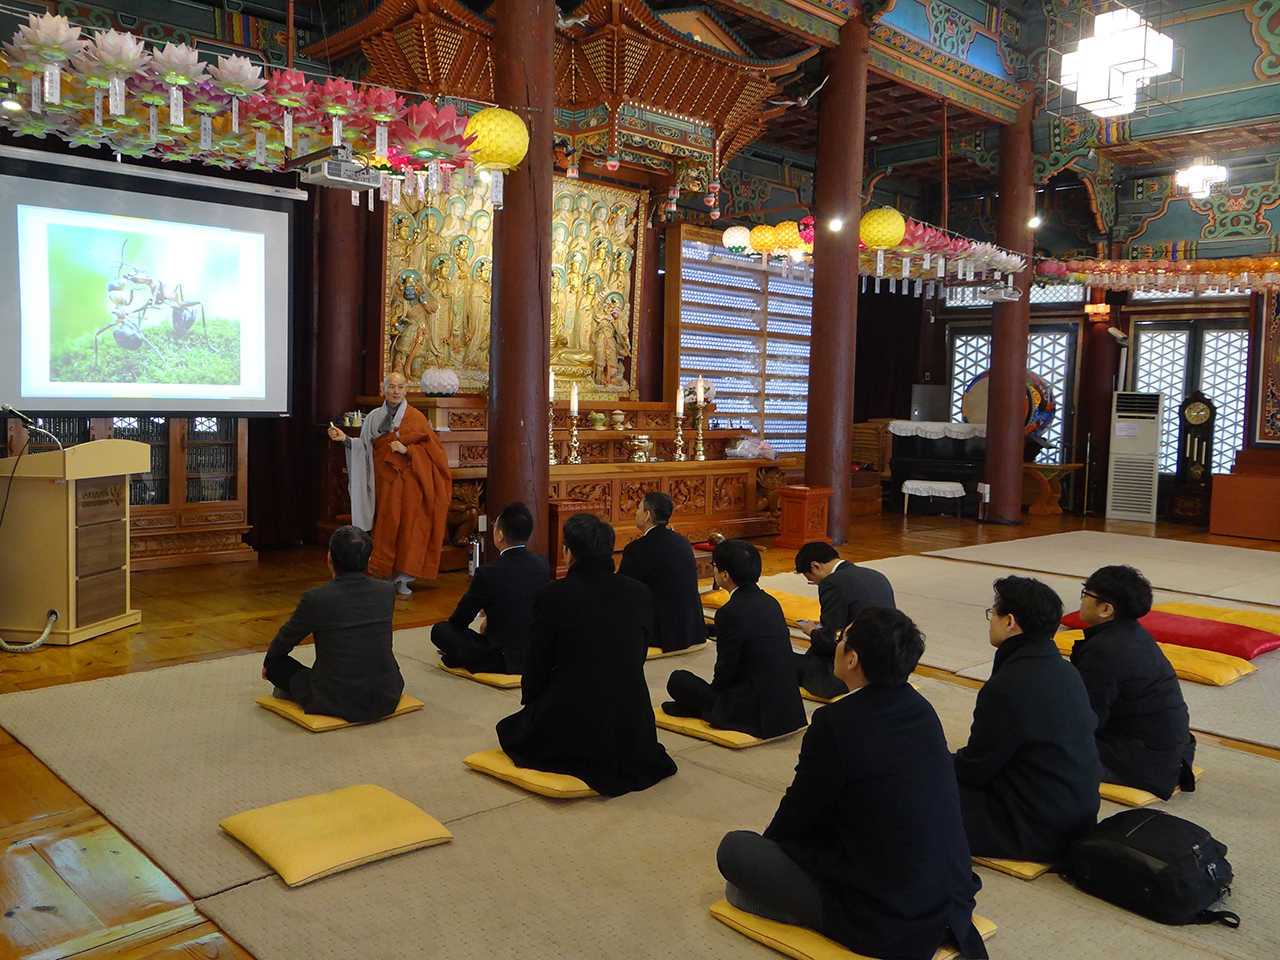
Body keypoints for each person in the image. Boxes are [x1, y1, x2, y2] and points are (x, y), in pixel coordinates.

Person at [717, 608, 987, 960]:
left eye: (841, 638)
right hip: (949, 898)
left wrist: (774, 844)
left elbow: (801, 807)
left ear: (853, 658)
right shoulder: (922, 709)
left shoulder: (836, 722)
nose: (837, 644)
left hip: (887, 915)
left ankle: (808, 916)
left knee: (736, 853)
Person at [495, 513, 677, 797]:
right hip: (632, 717)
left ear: (568, 553)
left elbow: (538, 661)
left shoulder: (554, 595)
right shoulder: (640, 592)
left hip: (577, 711)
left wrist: (532, 703)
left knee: (510, 730)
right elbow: (636, 654)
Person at [954, 576, 1100, 863]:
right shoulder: (1065, 669)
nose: (990, 621)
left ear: (1010, 621)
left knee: (915, 791)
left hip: (1032, 829)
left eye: (992, 613)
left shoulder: (1008, 685)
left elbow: (975, 769)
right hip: (1077, 816)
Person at [1074, 565, 1197, 800]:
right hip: (1173, 750)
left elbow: (1088, 719)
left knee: (1039, 749)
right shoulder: (1133, 633)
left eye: (1085, 595)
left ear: (1106, 609)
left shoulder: (1104, 649)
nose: (1081, 601)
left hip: (1143, 760)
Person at [663, 539, 806, 739]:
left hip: (753, 710)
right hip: (788, 708)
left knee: (678, 680)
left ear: (725, 575)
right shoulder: (771, 602)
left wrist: (714, 699)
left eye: (715, 567)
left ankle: (704, 709)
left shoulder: (729, 613)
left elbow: (726, 668)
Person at [261, 526, 404, 723]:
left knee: (276, 665)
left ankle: (295, 691)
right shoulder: (386, 591)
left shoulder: (317, 598)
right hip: (386, 693)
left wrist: (270, 663)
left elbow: (285, 639)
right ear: (368, 560)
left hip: (336, 699)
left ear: (329, 558)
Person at [328, 372, 452, 594]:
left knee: (406, 528)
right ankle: (384, 573)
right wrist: (345, 439)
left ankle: (403, 578)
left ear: (406, 390)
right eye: (391, 387)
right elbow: (364, 447)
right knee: (385, 526)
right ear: (383, 389)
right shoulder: (375, 417)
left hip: (408, 483)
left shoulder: (416, 418)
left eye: (400, 387)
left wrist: (408, 450)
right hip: (382, 481)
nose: (395, 391)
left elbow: (434, 452)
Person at [430, 502, 549, 675]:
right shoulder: (542, 565)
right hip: (535, 653)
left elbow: (459, 620)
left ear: (500, 535)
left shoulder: (488, 573)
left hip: (503, 657)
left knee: (440, 630)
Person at [792, 541, 895, 700]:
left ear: (815, 566)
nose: (816, 583)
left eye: (811, 579)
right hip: (888, 663)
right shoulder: (876, 575)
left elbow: (829, 641)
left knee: (786, 661)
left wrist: (811, 631)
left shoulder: (832, 583)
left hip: (856, 667)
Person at [617, 491, 705, 653]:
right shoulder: (683, 541)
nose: (635, 513)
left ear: (647, 515)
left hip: (662, 631)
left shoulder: (638, 548)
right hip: (691, 626)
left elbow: (622, 590)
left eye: (638, 509)